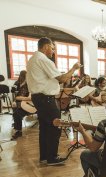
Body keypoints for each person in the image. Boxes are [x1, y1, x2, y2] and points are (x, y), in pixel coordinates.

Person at [26, 37, 82, 166]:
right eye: (52, 48)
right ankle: (52, 158)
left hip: (38, 97)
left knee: (45, 128)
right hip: (46, 99)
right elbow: (62, 78)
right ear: (45, 46)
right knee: (55, 127)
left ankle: (45, 157)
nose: (53, 51)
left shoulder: (33, 59)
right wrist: (74, 68)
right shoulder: (43, 59)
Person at [11, 70, 30, 140]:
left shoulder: (29, 84)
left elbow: (28, 97)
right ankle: (17, 126)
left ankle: (17, 123)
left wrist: (19, 98)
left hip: (28, 103)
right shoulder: (17, 82)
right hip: (20, 102)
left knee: (17, 111)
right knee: (16, 111)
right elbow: (13, 91)